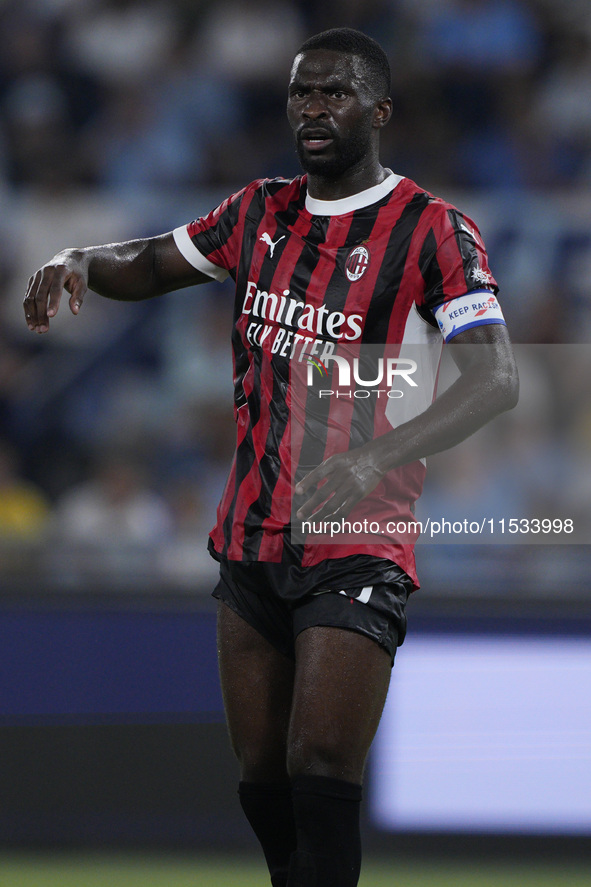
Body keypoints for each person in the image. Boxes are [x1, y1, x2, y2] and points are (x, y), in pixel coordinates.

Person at [24, 28, 518, 887]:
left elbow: (495, 379)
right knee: (263, 782)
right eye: (300, 94)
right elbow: (151, 261)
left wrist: (374, 459)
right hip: (251, 534)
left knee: (321, 761)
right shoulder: (257, 211)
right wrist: (80, 259)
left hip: (357, 535)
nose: (313, 110)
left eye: (333, 94)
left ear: (379, 109)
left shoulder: (434, 230)